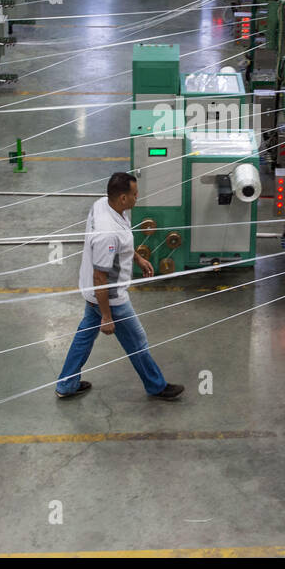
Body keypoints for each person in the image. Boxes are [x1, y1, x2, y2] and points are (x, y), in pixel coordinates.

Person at [56, 172, 184, 401]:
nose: (137, 198)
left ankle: (66, 384)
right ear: (123, 198)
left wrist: (137, 258)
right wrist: (107, 316)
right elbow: (100, 277)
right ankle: (156, 386)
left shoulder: (103, 205)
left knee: (84, 337)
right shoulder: (107, 232)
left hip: (92, 292)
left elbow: (120, 244)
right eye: (135, 195)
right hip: (110, 297)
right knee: (137, 340)